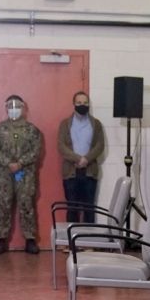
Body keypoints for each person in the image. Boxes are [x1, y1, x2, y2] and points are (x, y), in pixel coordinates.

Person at [0, 94, 42, 255]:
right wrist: (9, 163)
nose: (14, 109)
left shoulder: (32, 130)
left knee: (26, 205)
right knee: (2, 205)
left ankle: (30, 240)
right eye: (11, 106)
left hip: (25, 173)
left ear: (23, 108)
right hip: (3, 174)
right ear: (6, 108)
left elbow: (36, 150)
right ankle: (0, 239)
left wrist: (20, 163)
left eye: (17, 106)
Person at [57, 91, 106, 223]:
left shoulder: (96, 124)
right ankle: (71, 240)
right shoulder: (65, 124)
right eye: (79, 103)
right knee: (72, 207)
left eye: (85, 103)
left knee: (89, 207)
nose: (82, 105)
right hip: (70, 172)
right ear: (74, 104)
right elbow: (61, 146)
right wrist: (78, 159)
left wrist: (86, 159)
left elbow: (100, 145)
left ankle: (88, 240)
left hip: (90, 172)